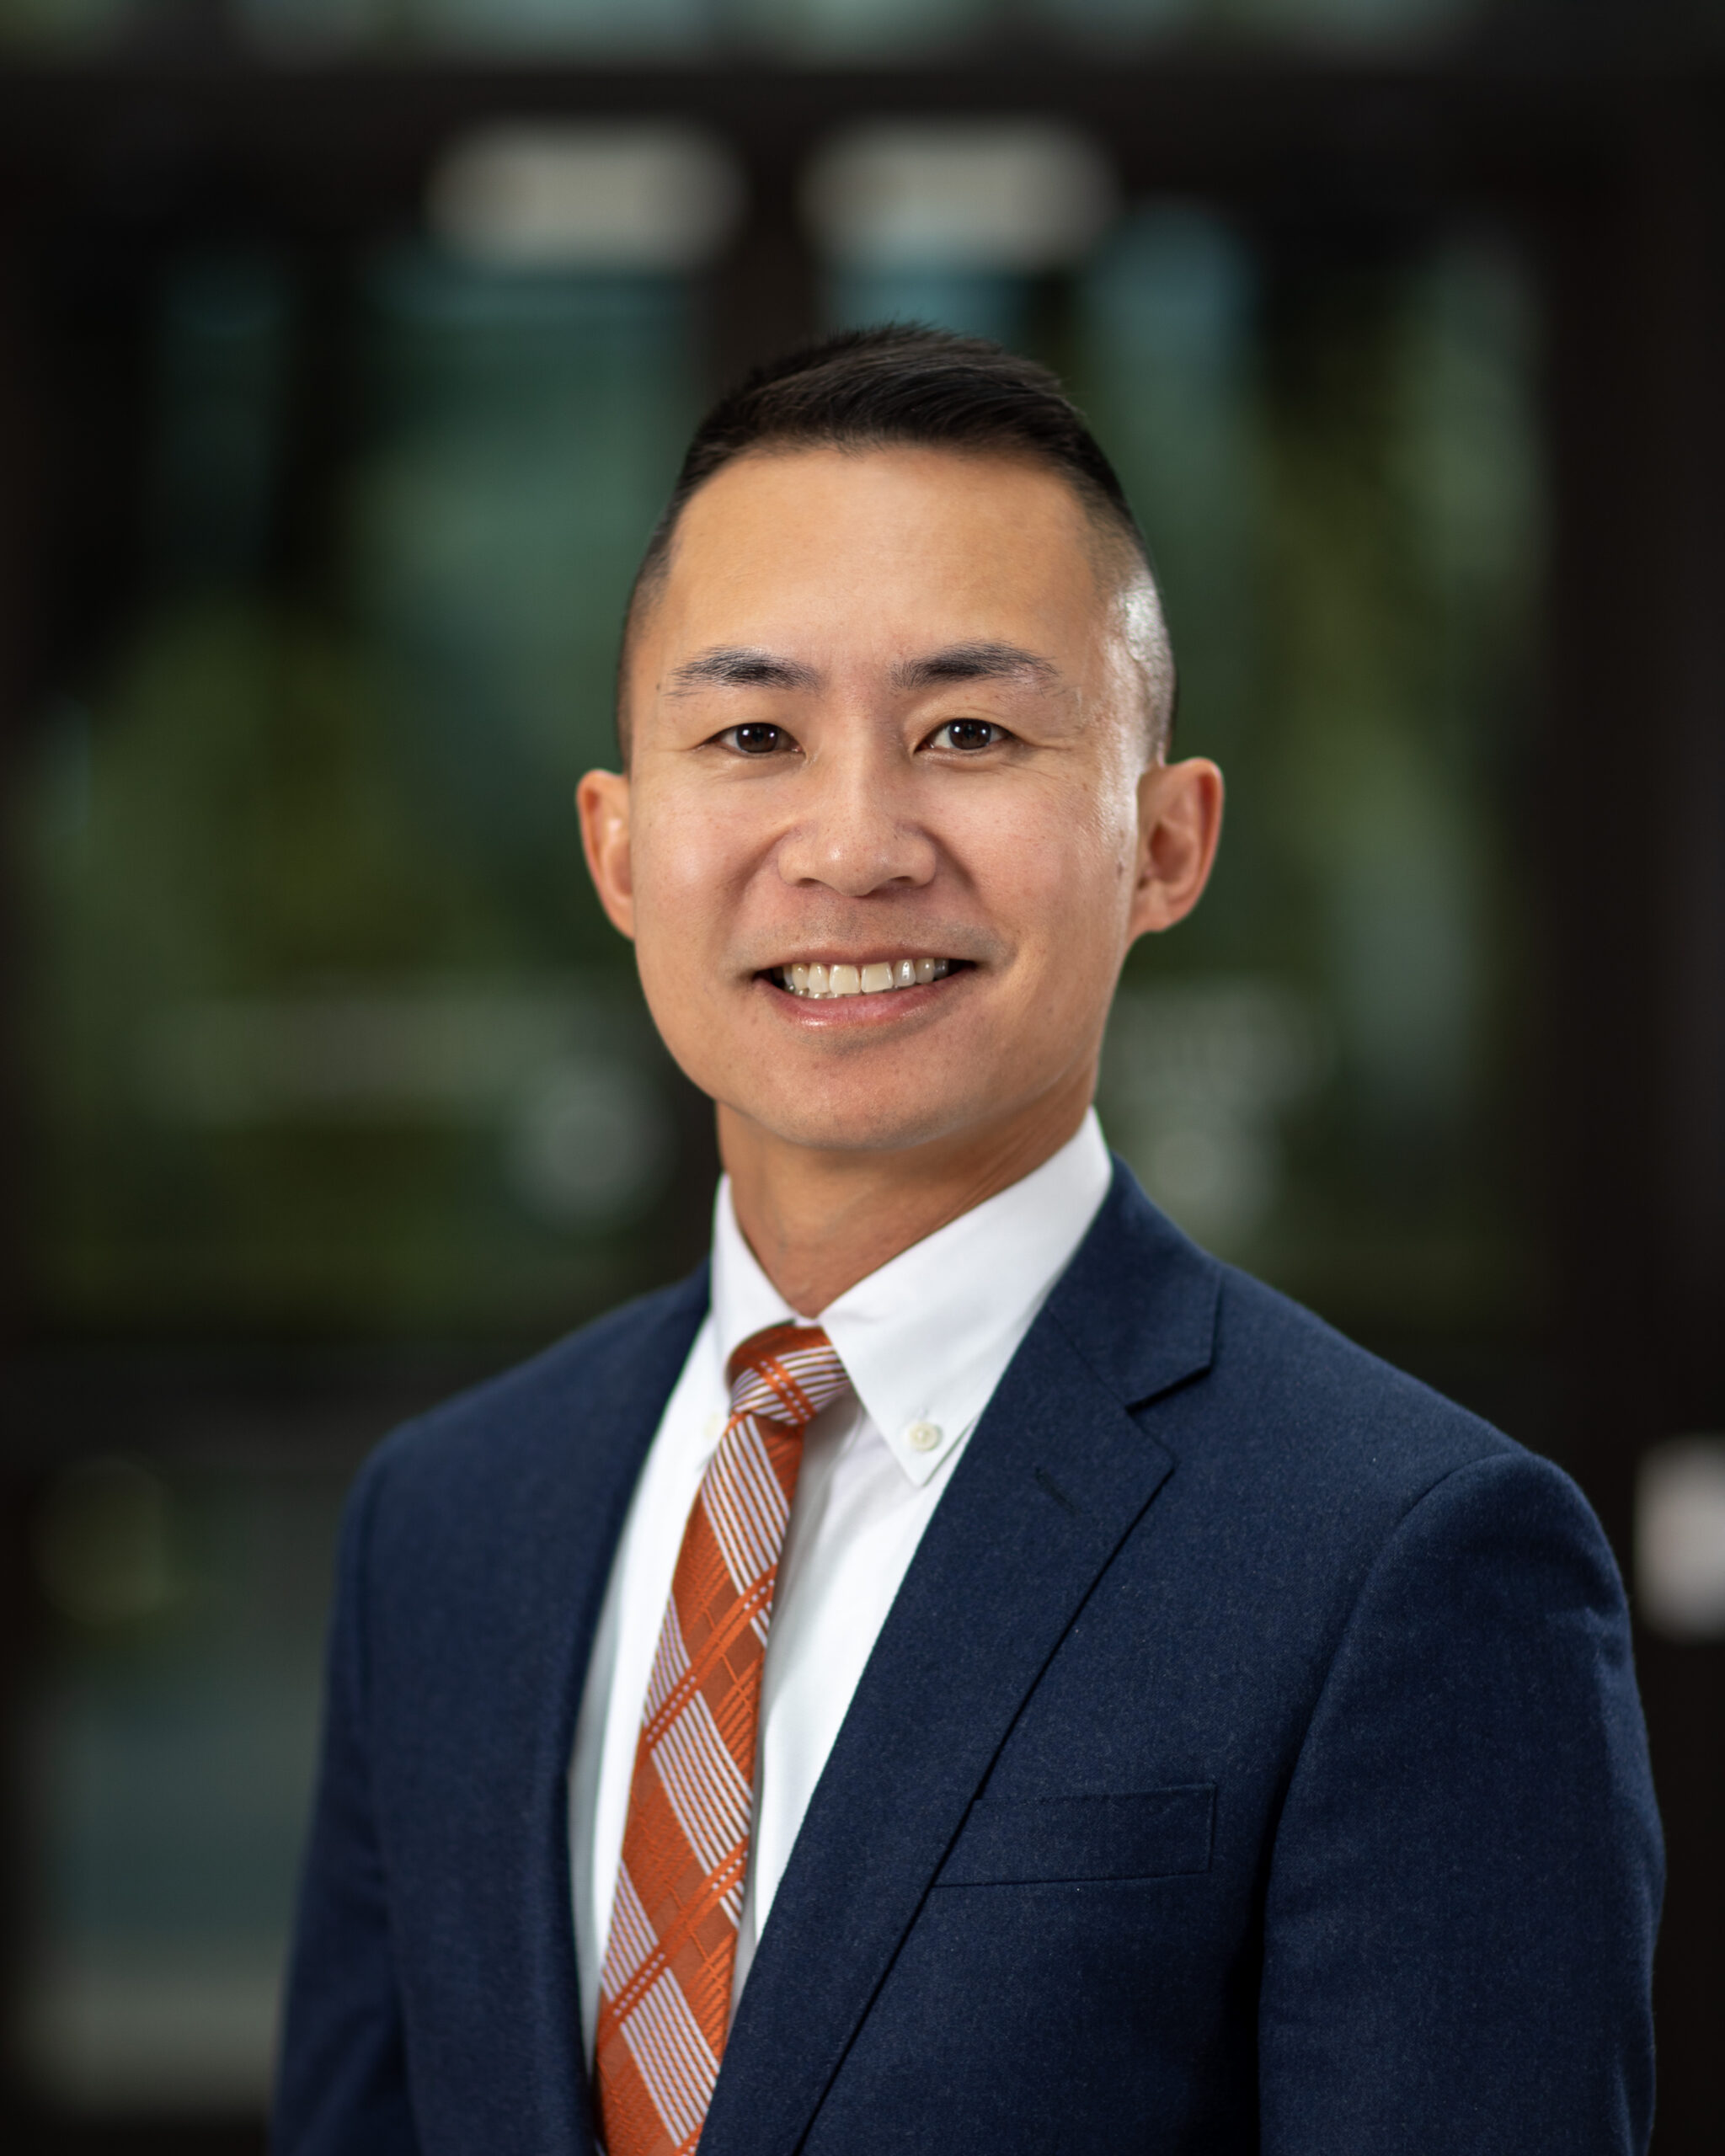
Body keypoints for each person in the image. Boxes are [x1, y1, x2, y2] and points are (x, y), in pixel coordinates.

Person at [275, 328, 1660, 2156]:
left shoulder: (1407, 1561)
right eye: (752, 732)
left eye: (971, 733)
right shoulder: (449, 1522)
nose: (850, 845)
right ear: (620, 850)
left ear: (1165, 841)